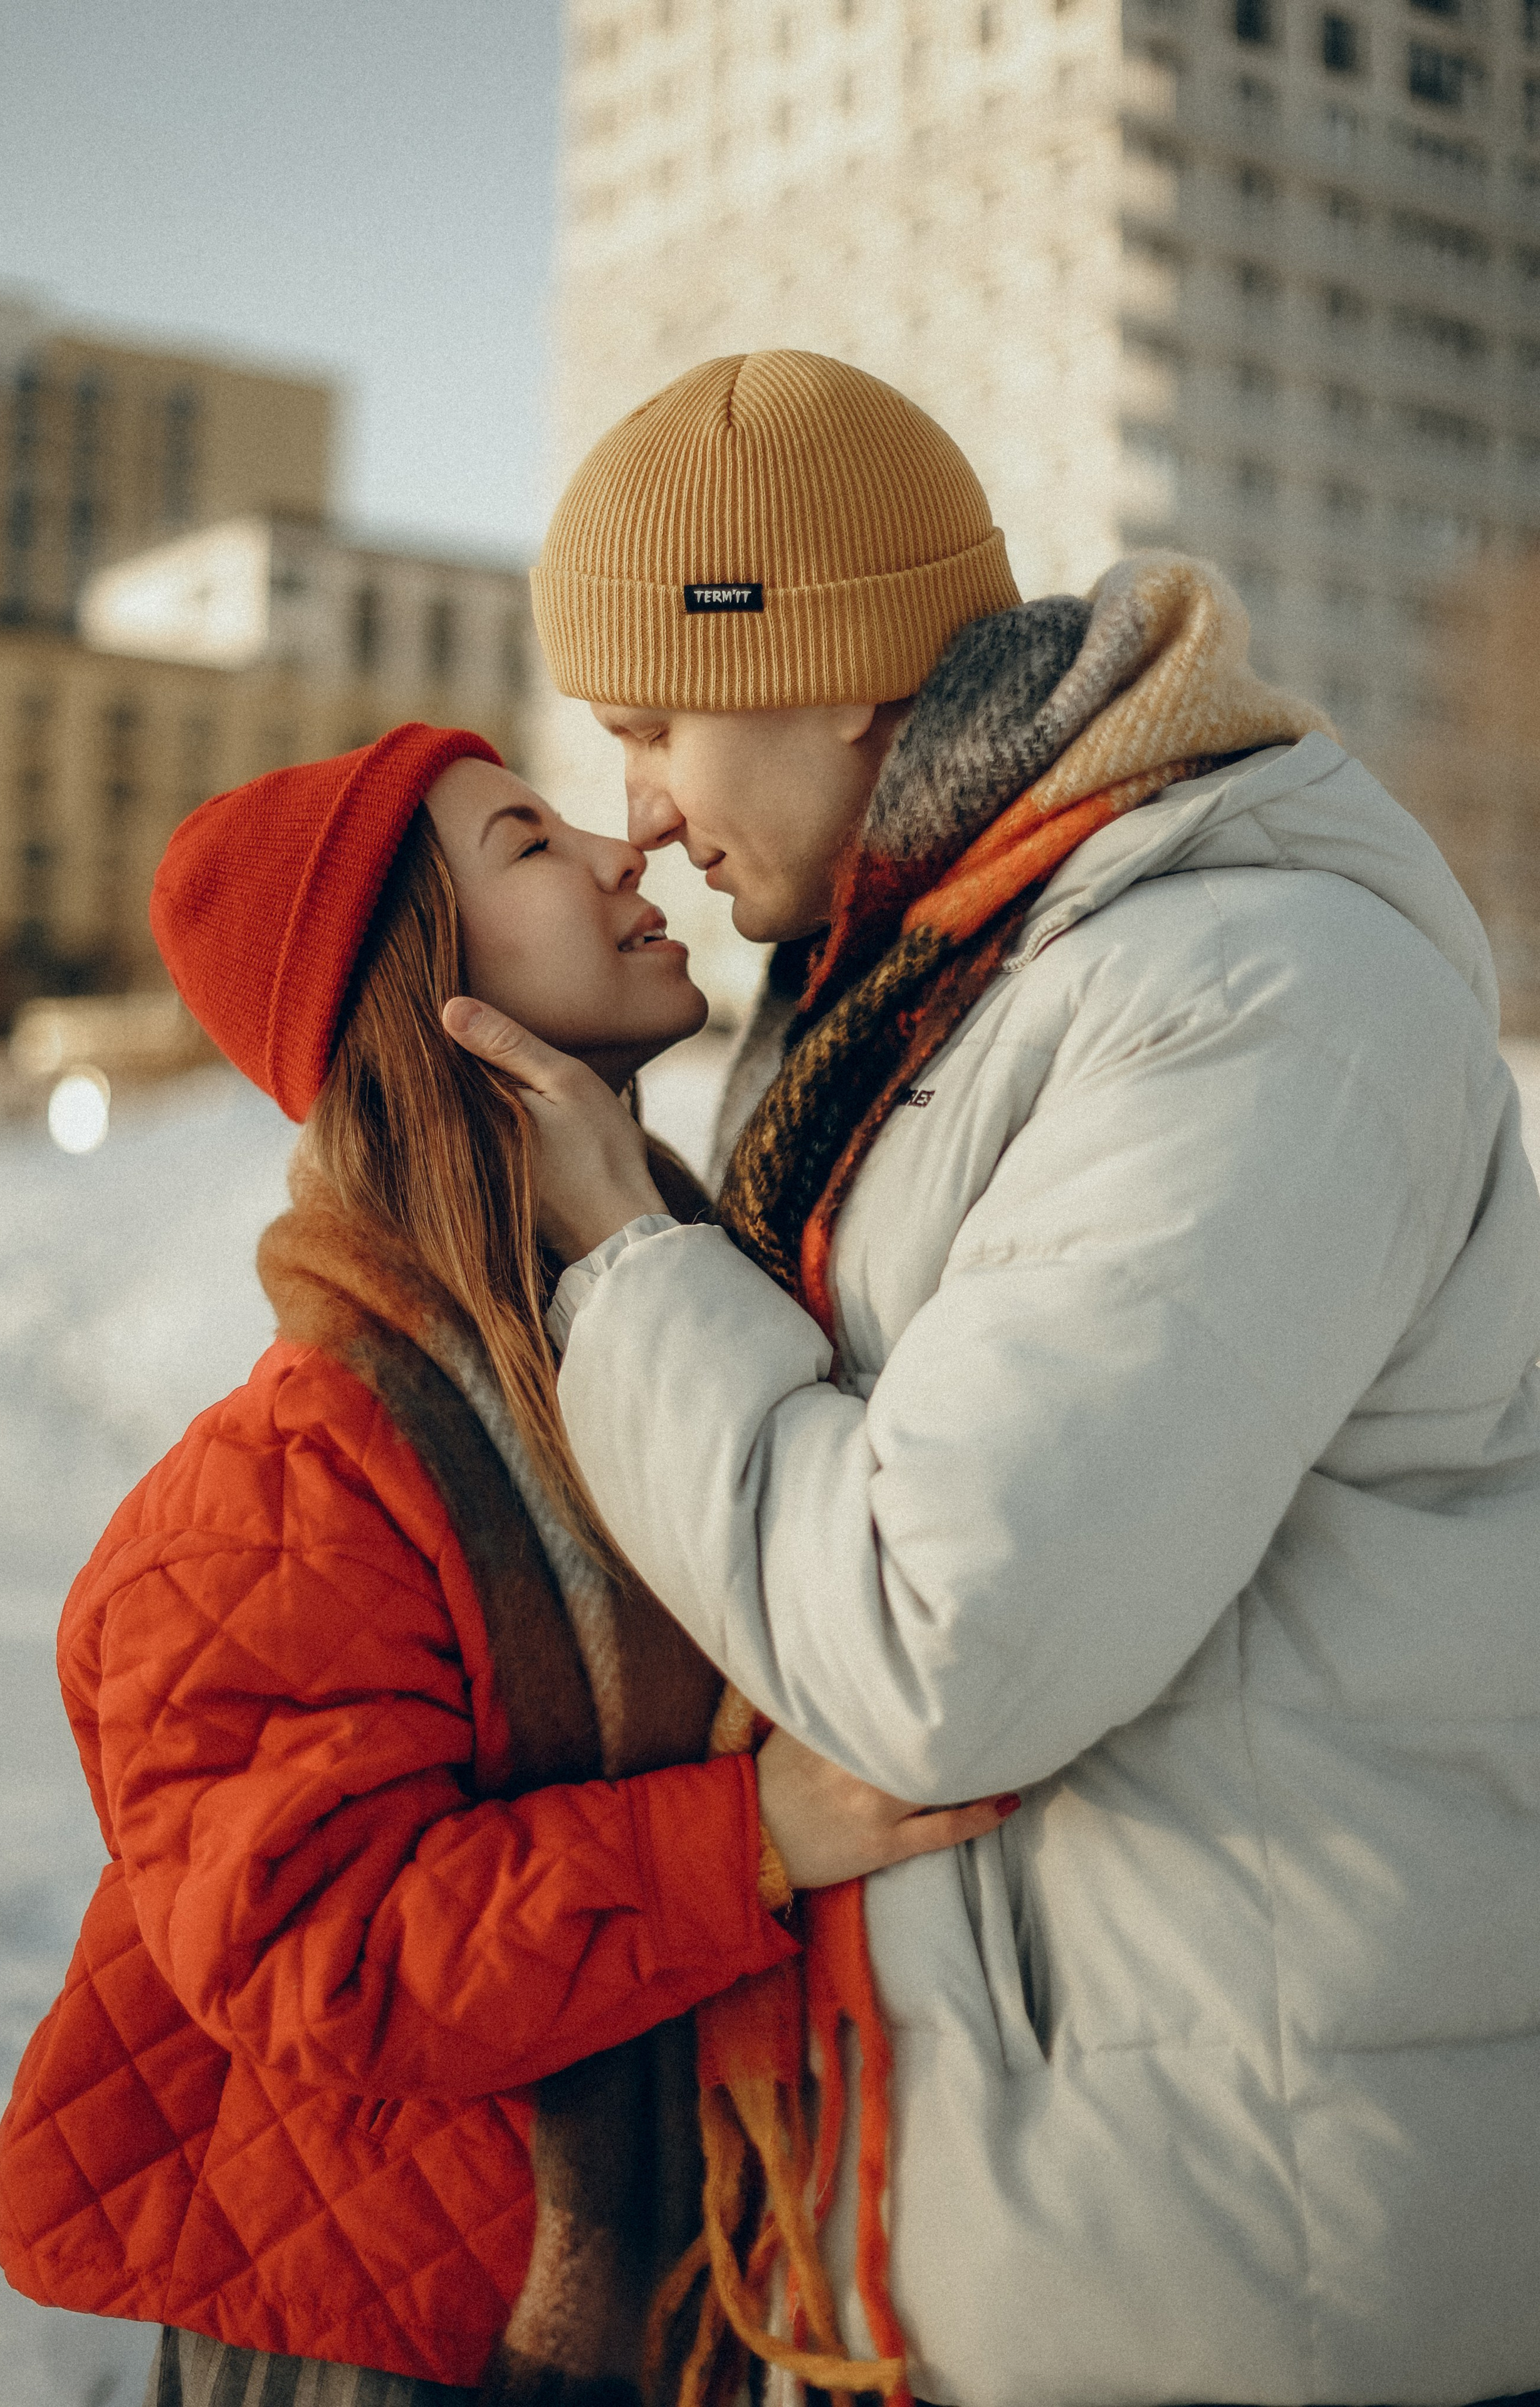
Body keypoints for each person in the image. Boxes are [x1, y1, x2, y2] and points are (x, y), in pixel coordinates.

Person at [443, 354, 1540, 2407]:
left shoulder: (1248, 995)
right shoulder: (920, 993)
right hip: (1023, 2239)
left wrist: (633, 1267)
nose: (644, 810)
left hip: (1248, 2293)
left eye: (655, 724)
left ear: (840, 670)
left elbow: (944, 1646)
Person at [0, 721, 1007, 2406]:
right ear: (425, 989)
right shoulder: (294, 1477)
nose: (626, 847)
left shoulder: (677, 1326)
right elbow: (327, 1950)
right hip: (377, 2347)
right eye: (530, 844)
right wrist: (751, 1839)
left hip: (697, 2309)